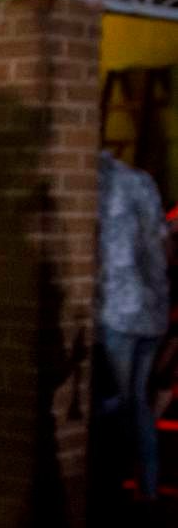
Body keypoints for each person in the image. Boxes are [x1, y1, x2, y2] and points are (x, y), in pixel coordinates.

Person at [96, 148, 168, 501]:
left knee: (117, 405)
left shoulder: (96, 183)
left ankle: (112, 490)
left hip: (118, 309)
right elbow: (162, 242)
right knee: (136, 403)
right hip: (152, 311)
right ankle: (148, 489)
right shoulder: (142, 180)